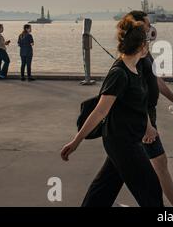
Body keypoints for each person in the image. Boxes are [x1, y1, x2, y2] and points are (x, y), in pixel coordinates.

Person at [61, 15, 164, 207]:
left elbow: (140, 104)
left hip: (129, 138)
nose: (149, 46)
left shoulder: (136, 67)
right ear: (141, 46)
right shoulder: (119, 74)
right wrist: (77, 141)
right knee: (151, 192)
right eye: (147, 42)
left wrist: (148, 126)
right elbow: (100, 112)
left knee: (104, 189)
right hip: (122, 142)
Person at [118, 10, 173, 207]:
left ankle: (99, 200)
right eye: (147, 25)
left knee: (118, 167)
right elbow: (137, 94)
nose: (151, 28)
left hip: (144, 116)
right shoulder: (136, 57)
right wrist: (147, 124)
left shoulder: (144, 53)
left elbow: (155, 80)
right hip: (141, 117)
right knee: (159, 162)